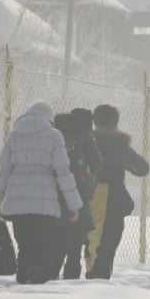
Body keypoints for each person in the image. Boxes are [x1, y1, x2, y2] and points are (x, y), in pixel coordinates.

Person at [0, 102, 82, 285]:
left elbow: (3, 171)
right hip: (45, 203)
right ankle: (40, 281)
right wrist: (74, 205)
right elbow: (63, 172)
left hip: (18, 202)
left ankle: (23, 278)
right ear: (48, 117)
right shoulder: (54, 136)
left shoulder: (14, 137)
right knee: (44, 245)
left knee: (24, 245)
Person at [85, 104, 149, 279]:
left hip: (86, 197)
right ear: (116, 122)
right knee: (107, 242)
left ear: (94, 121)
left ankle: (88, 274)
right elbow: (142, 169)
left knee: (90, 240)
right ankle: (99, 278)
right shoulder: (118, 145)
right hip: (111, 198)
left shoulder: (86, 141)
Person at [49, 108, 103, 279]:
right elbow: (97, 163)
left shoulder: (51, 131)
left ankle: (49, 277)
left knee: (55, 244)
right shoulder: (84, 135)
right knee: (74, 248)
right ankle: (71, 280)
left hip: (51, 193)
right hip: (78, 193)